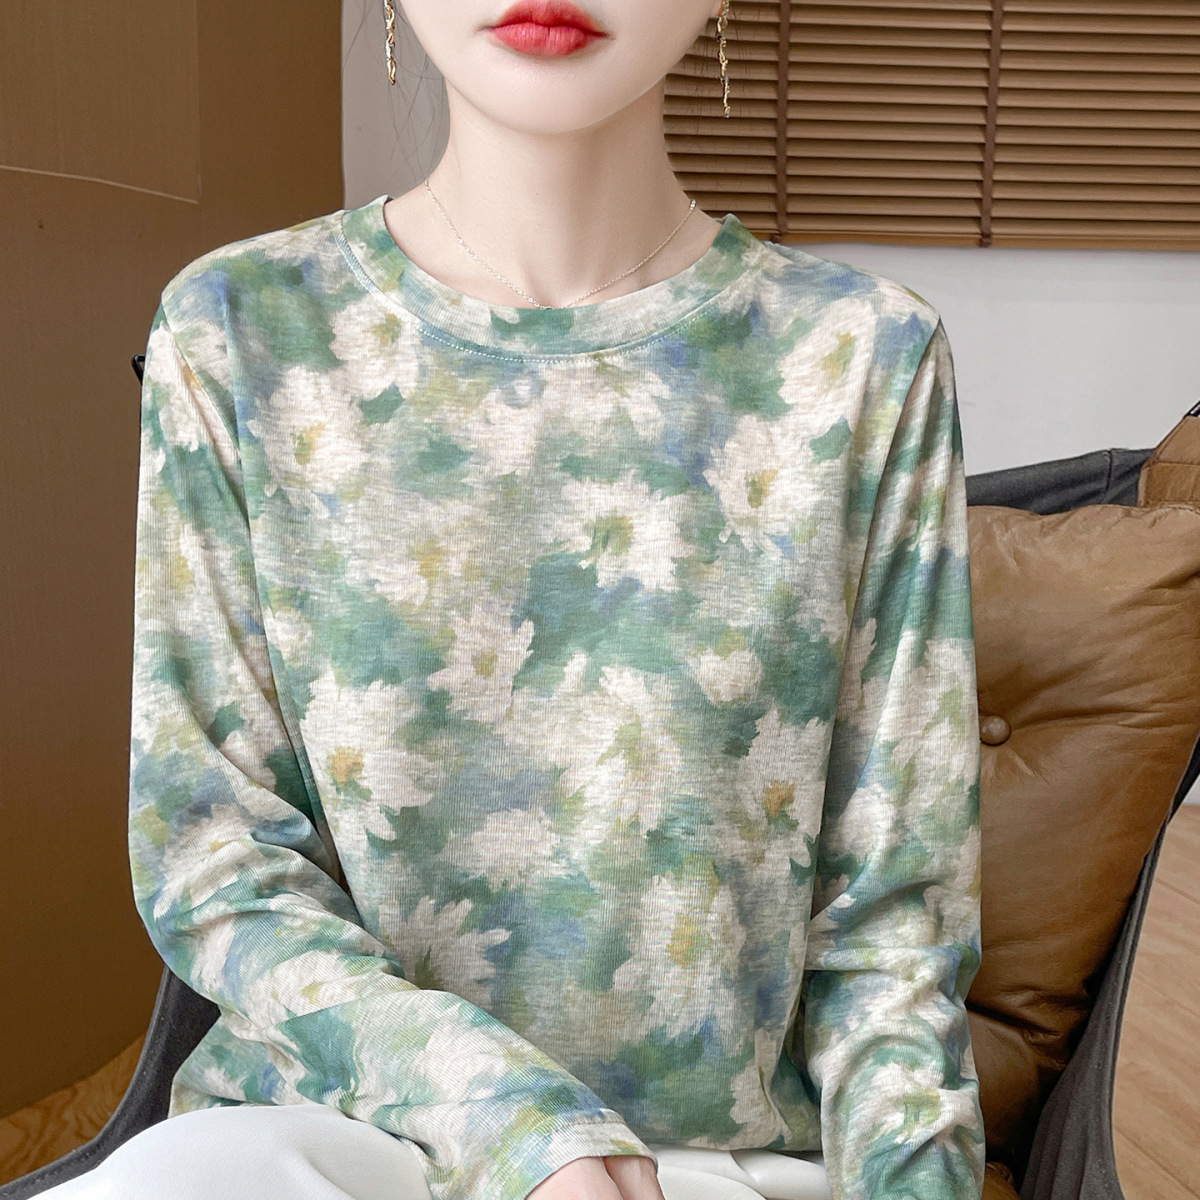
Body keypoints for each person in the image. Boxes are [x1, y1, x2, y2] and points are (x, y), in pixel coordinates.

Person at [38, 0, 986, 1197]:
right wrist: (521, 1126)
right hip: (326, 1146)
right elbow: (214, 861)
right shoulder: (240, 328)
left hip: (715, 1168)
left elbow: (894, 927)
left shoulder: (865, 355)